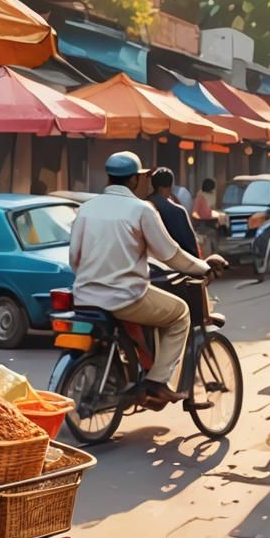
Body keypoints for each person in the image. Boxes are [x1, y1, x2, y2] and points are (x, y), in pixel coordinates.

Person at [68, 152, 227, 407]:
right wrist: (202, 267)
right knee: (180, 313)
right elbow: (170, 254)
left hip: (85, 296)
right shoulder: (141, 210)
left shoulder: (86, 209)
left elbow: (74, 259)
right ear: (134, 180)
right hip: (124, 298)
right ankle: (157, 382)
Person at [148, 167, 200, 256]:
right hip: (174, 261)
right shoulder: (178, 211)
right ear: (171, 185)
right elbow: (189, 245)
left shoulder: (143, 204)